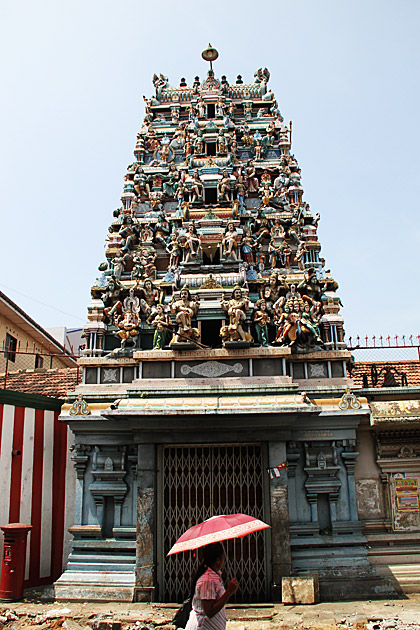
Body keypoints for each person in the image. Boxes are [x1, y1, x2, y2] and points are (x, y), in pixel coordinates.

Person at [185, 542, 238, 630]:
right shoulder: (208, 580)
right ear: (218, 560)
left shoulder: (214, 576)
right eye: (223, 557)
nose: (225, 559)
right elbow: (209, 611)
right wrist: (228, 592)